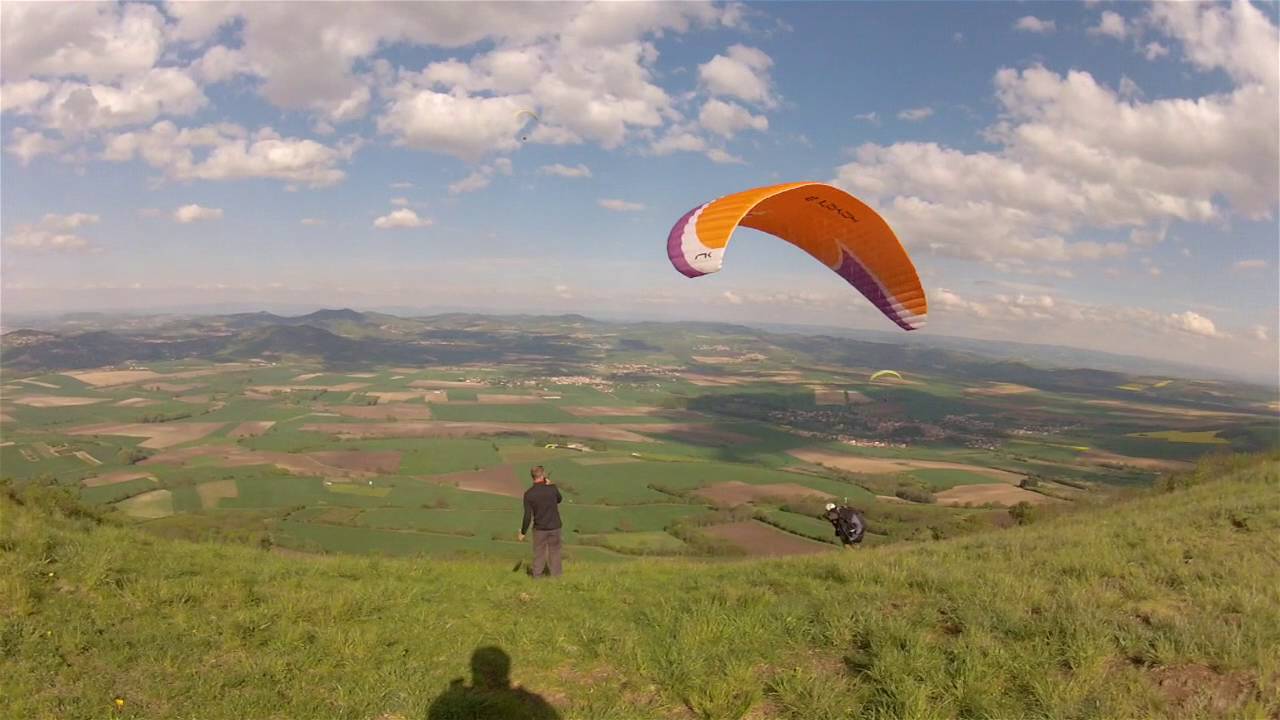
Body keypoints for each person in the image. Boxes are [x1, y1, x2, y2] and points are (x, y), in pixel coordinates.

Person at [519, 465, 563, 577]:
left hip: (539, 529)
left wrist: (523, 532)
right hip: (555, 526)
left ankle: (537, 576)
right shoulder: (552, 488)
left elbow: (527, 516)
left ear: (532, 477)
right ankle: (556, 577)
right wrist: (550, 484)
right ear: (543, 475)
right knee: (555, 552)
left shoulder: (529, 494)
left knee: (539, 553)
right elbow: (559, 499)